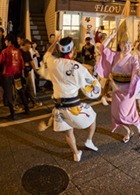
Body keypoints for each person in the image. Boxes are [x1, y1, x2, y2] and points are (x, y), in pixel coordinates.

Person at [39, 33, 101, 162]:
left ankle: (76, 153)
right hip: (74, 107)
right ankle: (89, 141)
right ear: (73, 50)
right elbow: (91, 86)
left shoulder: (52, 63)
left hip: (59, 108)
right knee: (93, 116)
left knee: (69, 131)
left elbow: (46, 56)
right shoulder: (77, 67)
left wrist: (55, 41)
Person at [96, 29, 140, 143]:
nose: (126, 47)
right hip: (116, 90)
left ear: (131, 45)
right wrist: (111, 34)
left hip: (127, 91)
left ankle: (138, 125)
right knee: (117, 116)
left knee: (124, 114)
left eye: (129, 44)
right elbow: (102, 48)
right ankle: (129, 132)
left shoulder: (133, 58)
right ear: (120, 45)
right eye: (124, 44)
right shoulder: (115, 56)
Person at [0, 34, 29, 119]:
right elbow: (22, 64)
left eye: (6, 41)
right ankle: (26, 108)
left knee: (9, 93)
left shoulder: (5, 51)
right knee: (20, 91)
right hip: (17, 75)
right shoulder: (18, 51)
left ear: (9, 41)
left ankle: (12, 114)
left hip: (8, 74)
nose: (5, 42)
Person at [20, 39, 41, 108]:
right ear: (25, 44)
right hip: (22, 73)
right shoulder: (20, 52)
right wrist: (22, 74)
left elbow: (31, 61)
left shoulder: (28, 52)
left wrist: (35, 70)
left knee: (31, 88)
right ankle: (18, 104)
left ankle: (34, 102)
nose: (30, 46)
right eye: (29, 44)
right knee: (23, 89)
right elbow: (21, 63)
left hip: (28, 72)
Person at [0, 27, 6, 107]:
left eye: (0, 31)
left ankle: (3, 100)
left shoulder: (4, 41)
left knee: (1, 83)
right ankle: (0, 100)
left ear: (2, 33)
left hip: (3, 64)